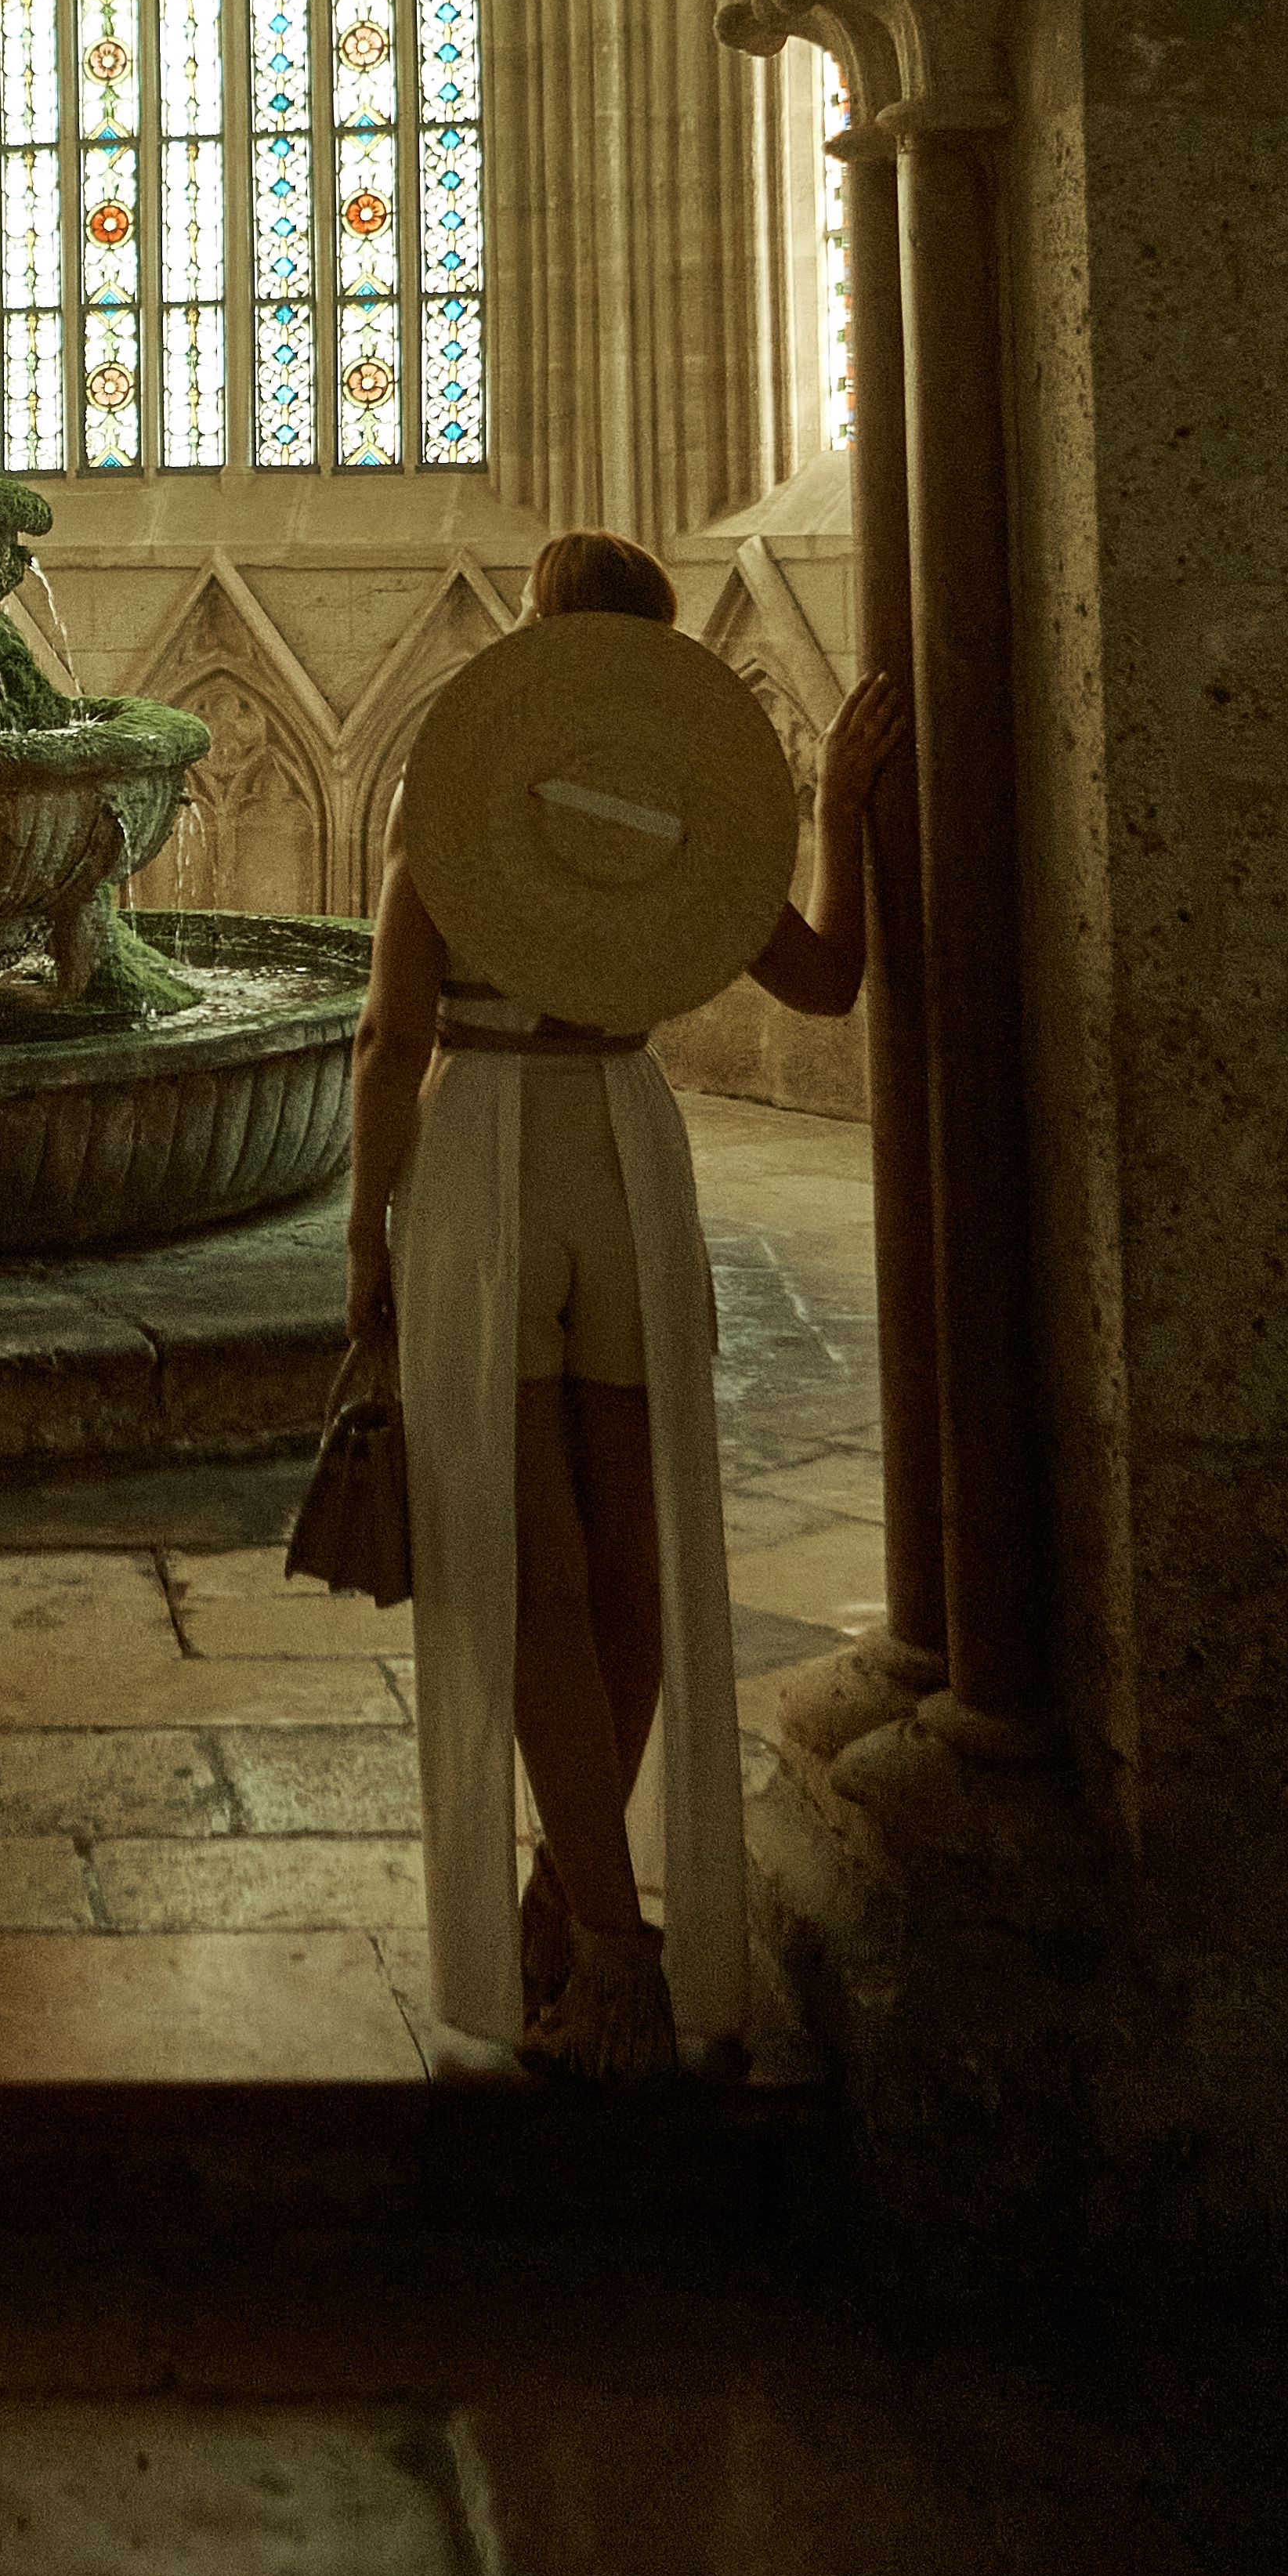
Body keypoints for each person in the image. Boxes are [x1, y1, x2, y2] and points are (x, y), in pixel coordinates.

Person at [345, 530, 908, 2076]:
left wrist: (364, 1244)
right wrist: (844, 813)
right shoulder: (684, 817)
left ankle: (605, 1945)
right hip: (625, 1144)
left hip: (489, 1158)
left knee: (532, 1567)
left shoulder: (457, 801)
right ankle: (574, 1885)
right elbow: (829, 981)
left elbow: (393, 1044)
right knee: (634, 1566)